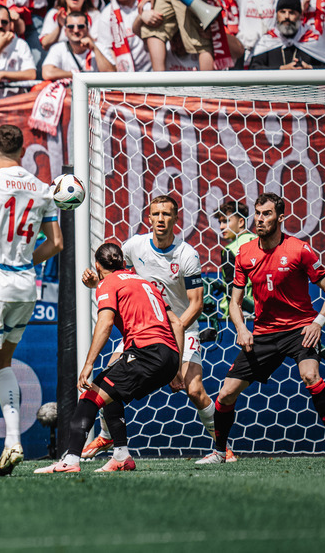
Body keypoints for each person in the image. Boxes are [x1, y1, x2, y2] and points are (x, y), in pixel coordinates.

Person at [201, 193, 325, 464]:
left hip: (300, 329)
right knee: (226, 393)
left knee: (310, 375)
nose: (260, 219)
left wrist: (318, 323)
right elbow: (234, 302)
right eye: (257, 213)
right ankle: (220, 452)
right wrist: (242, 329)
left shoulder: (299, 249)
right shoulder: (244, 253)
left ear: (280, 218)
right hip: (264, 333)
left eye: (266, 214)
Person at [0, 124, 63, 478]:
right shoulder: (42, 188)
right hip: (24, 286)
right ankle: (14, 441)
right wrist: (25, 263)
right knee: (2, 362)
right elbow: (56, 244)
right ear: (23, 151)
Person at [80, 194, 216, 460]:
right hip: (141, 329)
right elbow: (118, 276)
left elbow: (196, 304)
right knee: (109, 374)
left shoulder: (186, 254)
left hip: (182, 329)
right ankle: (107, 436)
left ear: (176, 219)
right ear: (149, 218)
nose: (161, 219)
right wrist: (96, 280)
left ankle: (223, 446)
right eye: (156, 214)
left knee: (195, 390)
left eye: (166, 214)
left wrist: (171, 332)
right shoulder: (135, 246)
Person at [34, 241, 183, 474]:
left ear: (96, 264)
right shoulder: (146, 282)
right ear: (123, 262)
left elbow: (104, 324)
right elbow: (177, 323)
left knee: (89, 398)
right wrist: (177, 370)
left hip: (145, 353)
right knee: (111, 396)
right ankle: (121, 456)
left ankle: (71, 460)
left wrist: (88, 364)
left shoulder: (108, 284)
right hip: (170, 355)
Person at [248, 0, 325, 68]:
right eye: (282, 12)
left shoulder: (312, 39)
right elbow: (254, 69)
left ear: (300, 16)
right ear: (277, 15)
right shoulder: (267, 40)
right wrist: (280, 70)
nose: (286, 16)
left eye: (291, 12)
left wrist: (311, 69)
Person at [94, 0, 151, 72]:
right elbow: (108, 51)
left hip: (152, 73)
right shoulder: (106, 15)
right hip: (126, 78)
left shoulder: (147, 5)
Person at [42, 10, 114, 78]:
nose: (76, 30)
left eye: (80, 26)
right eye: (71, 27)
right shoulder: (58, 48)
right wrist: (78, 75)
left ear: (87, 29)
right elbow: (47, 73)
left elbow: (111, 74)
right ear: (65, 30)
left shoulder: (99, 47)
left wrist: (95, 49)